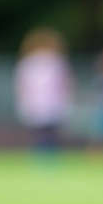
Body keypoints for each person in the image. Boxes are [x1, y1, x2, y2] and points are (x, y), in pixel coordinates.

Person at [14, 28, 74, 157]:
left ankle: (44, 156)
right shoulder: (55, 62)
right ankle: (47, 156)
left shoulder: (29, 63)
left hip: (43, 102)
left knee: (42, 133)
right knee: (48, 133)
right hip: (46, 102)